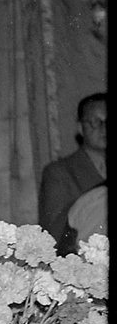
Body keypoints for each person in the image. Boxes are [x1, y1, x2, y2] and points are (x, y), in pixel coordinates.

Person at [38, 92, 106, 252]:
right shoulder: (60, 172)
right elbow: (53, 234)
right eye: (95, 122)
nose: (104, 128)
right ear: (80, 128)